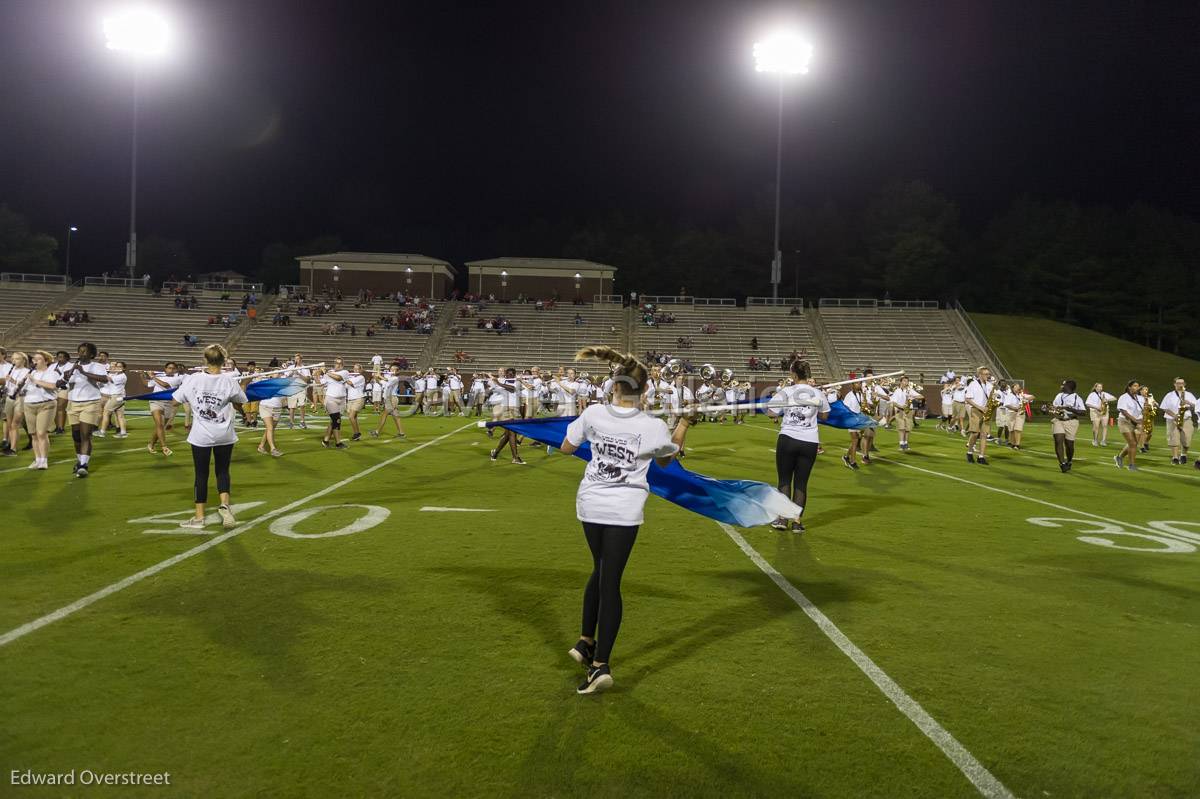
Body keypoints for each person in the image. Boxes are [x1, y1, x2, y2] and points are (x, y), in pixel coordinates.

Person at [560, 346, 689, 695]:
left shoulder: (593, 414)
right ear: (645, 390)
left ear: (613, 386)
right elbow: (666, 461)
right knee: (609, 579)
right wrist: (684, 425)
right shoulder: (653, 426)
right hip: (624, 510)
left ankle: (586, 642)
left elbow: (566, 448)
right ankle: (600, 665)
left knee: (600, 570)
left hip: (590, 504)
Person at [174, 345, 249, 529]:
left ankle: (199, 518)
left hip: (201, 435)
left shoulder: (193, 379)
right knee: (222, 471)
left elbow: (175, 400)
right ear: (224, 361)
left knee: (201, 474)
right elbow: (241, 401)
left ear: (205, 360)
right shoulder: (229, 381)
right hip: (224, 433)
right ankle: (225, 505)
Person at [765, 360, 830, 532]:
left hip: (788, 438)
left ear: (793, 375)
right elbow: (825, 416)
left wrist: (773, 406)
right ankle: (797, 522)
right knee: (801, 484)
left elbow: (771, 412)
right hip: (810, 441)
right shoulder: (817, 393)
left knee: (785, 480)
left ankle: (782, 520)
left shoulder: (786, 392)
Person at [62, 342, 109, 477]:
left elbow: (103, 379)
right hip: (73, 403)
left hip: (91, 403)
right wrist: (62, 380)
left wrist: (83, 372)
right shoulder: (71, 367)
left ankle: (84, 465)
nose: (81, 354)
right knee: (75, 436)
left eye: (84, 351)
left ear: (92, 354)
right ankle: (79, 461)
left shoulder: (97, 366)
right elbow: (63, 383)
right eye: (80, 351)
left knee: (85, 434)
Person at [23, 351, 59, 470]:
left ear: (46, 361)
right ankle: (37, 459)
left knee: (41, 433)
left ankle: (44, 460)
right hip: (29, 404)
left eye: (38, 359)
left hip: (46, 404)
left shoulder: (51, 373)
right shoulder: (30, 373)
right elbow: (24, 390)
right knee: (33, 434)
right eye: (34, 359)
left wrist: (34, 380)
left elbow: (52, 386)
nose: (35, 361)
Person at [487, 367, 524, 464]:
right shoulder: (503, 381)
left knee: (508, 434)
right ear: (506, 375)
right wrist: (494, 380)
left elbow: (512, 389)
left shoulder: (517, 382)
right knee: (512, 433)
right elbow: (493, 388)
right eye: (508, 374)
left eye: (512, 374)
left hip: (515, 409)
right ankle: (515, 458)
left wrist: (499, 383)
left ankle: (495, 452)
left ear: (514, 375)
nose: (510, 376)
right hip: (506, 409)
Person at [147, 362, 183, 457]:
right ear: (165, 369)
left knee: (161, 426)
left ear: (176, 370)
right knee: (159, 424)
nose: (171, 370)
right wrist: (143, 376)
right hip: (155, 401)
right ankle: (164, 447)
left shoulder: (177, 378)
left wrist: (153, 377)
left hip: (168, 403)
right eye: (169, 368)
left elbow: (165, 385)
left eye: (173, 368)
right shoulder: (159, 376)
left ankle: (151, 444)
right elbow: (148, 385)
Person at [1050, 380, 1086, 472]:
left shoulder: (1077, 398)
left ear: (1069, 386)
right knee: (1058, 440)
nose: (1062, 386)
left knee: (1069, 445)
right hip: (1058, 420)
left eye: (1064, 385)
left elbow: (1083, 412)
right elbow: (1053, 408)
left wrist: (1070, 409)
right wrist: (1047, 409)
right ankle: (1062, 464)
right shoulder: (1059, 395)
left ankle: (1069, 461)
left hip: (1071, 422)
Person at [1159, 377, 1196, 465]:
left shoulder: (1189, 394)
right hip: (1172, 419)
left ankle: (1183, 454)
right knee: (1174, 438)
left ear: (1184, 384)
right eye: (1178, 383)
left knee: (1187, 439)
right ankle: (1175, 457)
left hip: (1186, 419)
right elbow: (1164, 407)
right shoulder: (1169, 395)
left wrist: (1188, 403)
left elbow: (1196, 406)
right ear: (1174, 384)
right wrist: (1174, 415)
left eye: (1182, 383)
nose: (1180, 385)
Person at [963, 367, 994, 465]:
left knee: (984, 434)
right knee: (975, 433)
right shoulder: (973, 384)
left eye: (988, 374)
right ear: (980, 374)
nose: (987, 376)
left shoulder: (990, 385)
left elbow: (992, 398)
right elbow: (967, 399)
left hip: (986, 411)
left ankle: (981, 456)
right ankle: (970, 452)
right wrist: (980, 407)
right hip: (976, 410)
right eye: (985, 374)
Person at [3, 351, 30, 456]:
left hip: (20, 399)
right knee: (10, 424)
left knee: (15, 424)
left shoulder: (27, 371)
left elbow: (24, 386)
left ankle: (13, 449)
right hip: (9, 398)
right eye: (13, 359)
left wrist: (13, 380)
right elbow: (8, 385)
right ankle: (10, 446)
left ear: (23, 360)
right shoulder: (11, 369)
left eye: (17, 359)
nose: (14, 361)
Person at [1114, 380, 1144, 471]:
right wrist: (1134, 419)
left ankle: (1119, 457)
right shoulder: (1124, 397)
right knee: (1133, 443)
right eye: (1134, 386)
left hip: (1137, 422)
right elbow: (1123, 411)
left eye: (1138, 386)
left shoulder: (1140, 398)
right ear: (1129, 387)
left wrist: (1143, 418)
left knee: (1133, 444)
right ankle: (1131, 465)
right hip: (1125, 421)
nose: (1137, 387)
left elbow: (1142, 410)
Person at [320, 358, 350, 449]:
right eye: (336, 363)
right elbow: (321, 384)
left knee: (334, 421)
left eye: (340, 363)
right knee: (337, 420)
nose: (338, 365)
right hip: (331, 398)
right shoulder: (329, 373)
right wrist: (317, 375)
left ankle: (325, 440)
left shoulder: (345, 372)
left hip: (342, 399)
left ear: (343, 365)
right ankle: (338, 443)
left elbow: (338, 378)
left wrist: (326, 372)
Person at [372, 365, 407, 438]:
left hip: (392, 399)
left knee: (384, 415)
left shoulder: (395, 378)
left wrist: (379, 375)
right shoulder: (390, 378)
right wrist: (376, 377)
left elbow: (386, 380)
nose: (391, 370)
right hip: (388, 399)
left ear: (397, 372)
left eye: (393, 369)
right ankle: (401, 433)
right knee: (396, 417)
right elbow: (381, 383)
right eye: (391, 369)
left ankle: (377, 432)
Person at [96, 360, 128, 438]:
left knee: (106, 413)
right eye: (117, 366)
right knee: (120, 416)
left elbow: (109, 379)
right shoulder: (116, 374)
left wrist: (103, 372)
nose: (117, 368)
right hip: (120, 397)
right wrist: (109, 370)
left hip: (116, 397)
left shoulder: (122, 376)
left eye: (120, 367)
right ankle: (123, 432)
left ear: (124, 368)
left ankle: (102, 432)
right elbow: (109, 376)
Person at [890, 376, 922, 451]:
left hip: (908, 411)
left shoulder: (909, 390)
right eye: (904, 381)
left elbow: (921, 396)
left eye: (907, 381)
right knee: (901, 428)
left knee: (908, 428)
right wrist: (901, 406)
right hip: (900, 410)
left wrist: (913, 397)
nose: (906, 382)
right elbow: (893, 402)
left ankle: (906, 443)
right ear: (900, 382)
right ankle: (901, 444)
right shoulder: (897, 391)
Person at [285, 354, 311, 429]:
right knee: (292, 407)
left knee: (302, 405)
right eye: (295, 359)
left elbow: (307, 380)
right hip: (292, 388)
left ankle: (302, 422)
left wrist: (299, 374)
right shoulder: (290, 367)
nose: (297, 360)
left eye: (298, 359)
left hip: (301, 387)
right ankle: (291, 422)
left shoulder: (305, 368)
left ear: (301, 360)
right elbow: (286, 377)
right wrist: (292, 373)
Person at [1004, 382, 1032, 450]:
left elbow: (1032, 397)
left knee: (1018, 429)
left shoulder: (1021, 395)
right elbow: (1006, 404)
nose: (1018, 388)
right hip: (1011, 413)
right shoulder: (1009, 395)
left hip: (1020, 413)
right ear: (1012, 388)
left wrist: (1025, 398)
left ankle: (1017, 444)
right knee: (1012, 430)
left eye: (1018, 387)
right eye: (1016, 387)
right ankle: (1013, 443)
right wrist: (1014, 408)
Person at [346, 363, 367, 440]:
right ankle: (357, 433)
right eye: (354, 369)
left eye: (357, 369)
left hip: (358, 398)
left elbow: (350, 383)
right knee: (354, 418)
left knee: (351, 417)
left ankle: (356, 433)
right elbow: (346, 385)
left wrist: (343, 377)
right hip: (350, 399)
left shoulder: (361, 377)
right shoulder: (351, 377)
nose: (355, 370)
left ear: (360, 370)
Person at [1136, 386, 1157, 454]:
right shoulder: (1138, 398)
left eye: (1147, 389)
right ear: (1140, 391)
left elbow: (1156, 404)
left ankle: (1146, 442)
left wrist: (1154, 404)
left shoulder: (1150, 397)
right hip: (1141, 416)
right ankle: (1141, 447)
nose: (1146, 391)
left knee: (1150, 433)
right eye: (1144, 389)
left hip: (1150, 416)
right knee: (1143, 432)